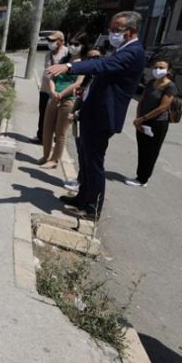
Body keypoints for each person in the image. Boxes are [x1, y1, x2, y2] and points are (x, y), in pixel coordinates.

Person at [47, 11, 147, 219]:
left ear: (131, 31)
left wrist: (69, 66)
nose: (112, 34)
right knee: (85, 158)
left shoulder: (133, 52)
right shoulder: (122, 49)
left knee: (94, 163)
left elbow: (102, 65)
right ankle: (82, 197)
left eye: (116, 30)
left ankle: (92, 208)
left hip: (103, 117)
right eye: (110, 29)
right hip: (93, 113)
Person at [125, 58, 177, 187]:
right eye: (156, 67)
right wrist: (138, 119)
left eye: (161, 67)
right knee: (142, 149)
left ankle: (143, 179)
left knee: (151, 151)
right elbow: (141, 100)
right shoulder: (151, 82)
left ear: (168, 70)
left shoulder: (170, 86)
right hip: (142, 121)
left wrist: (142, 119)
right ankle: (139, 176)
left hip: (157, 123)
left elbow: (163, 107)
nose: (157, 70)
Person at [40, 33, 86, 169]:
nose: (72, 46)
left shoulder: (83, 64)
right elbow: (52, 77)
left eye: (76, 44)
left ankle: (54, 160)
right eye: (71, 43)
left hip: (68, 100)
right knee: (47, 128)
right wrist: (53, 92)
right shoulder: (64, 60)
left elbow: (78, 83)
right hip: (54, 96)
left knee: (60, 132)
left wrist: (61, 94)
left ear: (83, 46)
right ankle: (45, 156)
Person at [63, 47, 103, 193]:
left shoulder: (100, 79)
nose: (93, 61)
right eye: (90, 58)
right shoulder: (88, 77)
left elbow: (95, 103)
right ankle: (81, 181)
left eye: (96, 58)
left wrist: (77, 114)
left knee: (88, 157)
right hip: (79, 120)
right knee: (81, 153)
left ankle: (84, 185)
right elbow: (82, 98)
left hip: (88, 121)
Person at [34, 31, 68, 144]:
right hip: (45, 88)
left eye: (53, 40)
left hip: (58, 91)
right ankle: (41, 137)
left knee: (56, 116)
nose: (50, 42)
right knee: (43, 113)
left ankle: (53, 139)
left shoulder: (66, 54)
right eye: (49, 40)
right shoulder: (48, 54)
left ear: (61, 41)